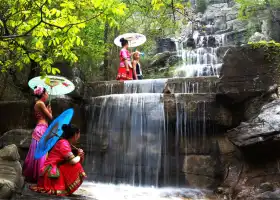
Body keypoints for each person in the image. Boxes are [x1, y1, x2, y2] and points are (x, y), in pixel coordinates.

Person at [30, 124, 86, 196]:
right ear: (75, 134)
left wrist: (79, 155)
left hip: (56, 167)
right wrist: (78, 155)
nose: (79, 136)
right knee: (76, 165)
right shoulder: (64, 144)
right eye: (79, 134)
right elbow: (73, 161)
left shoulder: (65, 143)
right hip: (51, 170)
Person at [23, 85, 53, 182]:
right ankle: (41, 175)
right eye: (47, 93)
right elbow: (50, 117)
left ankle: (37, 174)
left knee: (40, 151)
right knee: (42, 152)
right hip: (41, 129)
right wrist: (50, 111)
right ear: (43, 94)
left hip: (40, 128)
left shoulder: (39, 103)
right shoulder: (40, 103)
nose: (48, 95)